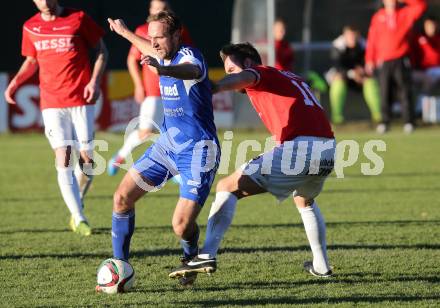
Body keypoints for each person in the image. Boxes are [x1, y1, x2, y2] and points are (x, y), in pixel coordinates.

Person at [169, 43, 336, 280]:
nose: (230, 74)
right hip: (328, 148)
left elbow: (247, 77)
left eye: (231, 69)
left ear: (247, 63)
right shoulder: (286, 75)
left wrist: (215, 86)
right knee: (304, 201)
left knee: (226, 187)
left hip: (301, 148)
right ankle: (321, 266)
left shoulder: (261, 72)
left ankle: (206, 255)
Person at [102, 11, 219, 288]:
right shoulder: (160, 50)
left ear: (177, 35)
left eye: (160, 37)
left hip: (199, 151)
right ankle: (121, 267)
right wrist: (124, 32)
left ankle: (190, 258)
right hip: (167, 146)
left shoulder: (191, 56)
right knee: (121, 198)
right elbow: (146, 46)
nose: (153, 43)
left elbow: (192, 71)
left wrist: (163, 70)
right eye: (151, 37)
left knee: (180, 225)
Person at [4, 0, 107, 236]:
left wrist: (95, 81)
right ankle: (79, 218)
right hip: (52, 103)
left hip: (81, 99)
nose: (45, 2)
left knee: (88, 162)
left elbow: (102, 50)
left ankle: (76, 203)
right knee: (64, 157)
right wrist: (15, 83)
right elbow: (32, 60)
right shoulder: (31, 27)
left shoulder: (78, 18)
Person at [107, 0, 193, 176]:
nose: (161, 11)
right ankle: (120, 157)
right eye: (157, 8)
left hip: (175, 90)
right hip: (154, 91)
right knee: (146, 131)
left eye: (164, 8)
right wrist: (139, 85)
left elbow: (188, 57)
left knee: (173, 132)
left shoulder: (179, 32)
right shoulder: (142, 31)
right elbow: (132, 59)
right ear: (150, 10)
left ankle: (174, 170)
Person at [365, 0, 427, 134]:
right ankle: (385, 122)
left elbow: (421, 6)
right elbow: (372, 39)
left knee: (404, 90)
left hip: (401, 59)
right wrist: (370, 59)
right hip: (383, 60)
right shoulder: (378, 17)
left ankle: (408, 121)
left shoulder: (405, 13)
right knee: (384, 92)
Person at [327, 25, 382, 124]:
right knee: (337, 80)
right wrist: (352, 73)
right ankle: (337, 117)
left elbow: (368, 64)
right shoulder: (337, 46)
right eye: (350, 36)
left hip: (360, 78)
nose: (352, 38)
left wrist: (363, 72)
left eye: (354, 36)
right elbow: (337, 67)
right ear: (344, 35)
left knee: (370, 81)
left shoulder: (364, 45)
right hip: (343, 77)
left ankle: (378, 116)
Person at [411, 16, 440, 100]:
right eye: (429, 25)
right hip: (424, 70)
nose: (431, 28)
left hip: (437, 69)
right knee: (428, 80)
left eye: (433, 25)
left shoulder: (438, 38)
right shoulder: (418, 39)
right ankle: (422, 106)